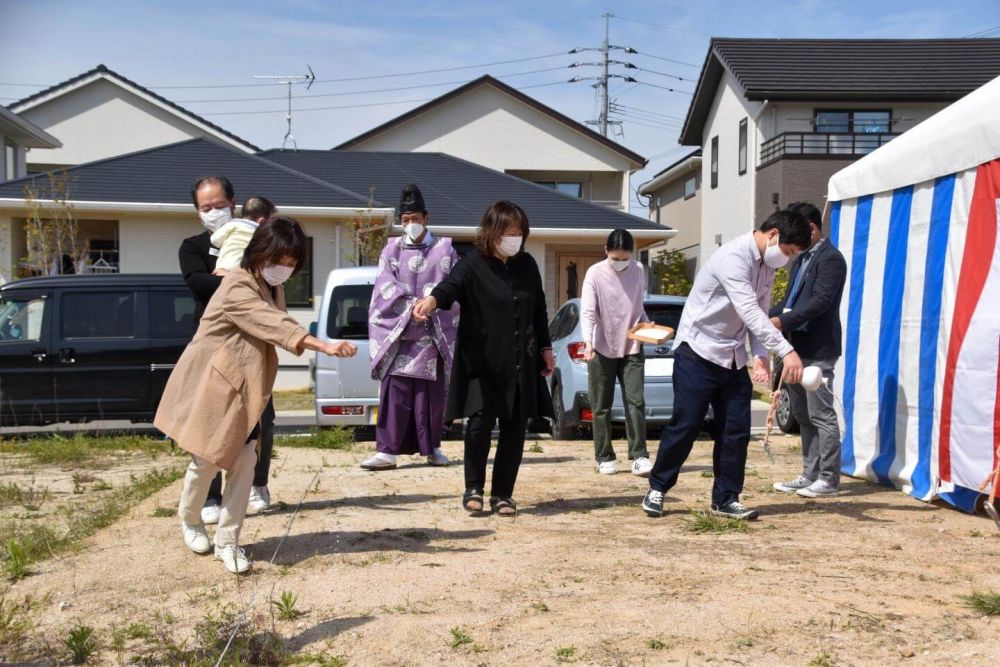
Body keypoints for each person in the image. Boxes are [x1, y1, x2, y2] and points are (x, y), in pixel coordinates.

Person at [156, 217, 357, 574]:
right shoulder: (236, 284)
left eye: (293, 264)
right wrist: (321, 345)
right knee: (205, 460)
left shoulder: (272, 287)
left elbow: (276, 323)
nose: (286, 269)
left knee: (245, 463)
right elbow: (272, 324)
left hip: (248, 388)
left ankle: (228, 541)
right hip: (215, 386)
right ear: (261, 252)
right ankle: (190, 520)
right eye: (281, 260)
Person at [641, 210, 810, 521]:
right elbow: (748, 310)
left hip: (732, 357)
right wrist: (787, 352)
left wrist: (759, 354)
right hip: (697, 351)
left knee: (736, 430)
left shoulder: (766, 266)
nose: (785, 259)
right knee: (687, 424)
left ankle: (726, 498)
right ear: (773, 234)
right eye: (786, 251)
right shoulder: (732, 257)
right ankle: (658, 487)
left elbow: (759, 311)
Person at [413, 201, 554, 517]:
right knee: (479, 423)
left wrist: (545, 348)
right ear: (492, 233)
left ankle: (503, 494)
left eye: (520, 233)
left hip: (520, 360)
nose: (515, 239)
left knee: (515, 428)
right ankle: (473, 487)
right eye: (509, 233)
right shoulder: (472, 263)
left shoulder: (528, 265)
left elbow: (539, 310)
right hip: (483, 361)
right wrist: (432, 300)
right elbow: (450, 287)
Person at [180, 177, 277, 523]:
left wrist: (225, 277)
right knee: (208, 420)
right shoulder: (192, 246)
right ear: (197, 212)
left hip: (252, 343)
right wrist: (234, 281)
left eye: (219, 205)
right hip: (211, 345)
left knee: (260, 418)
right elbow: (197, 281)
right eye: (206, 208)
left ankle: (258, 484)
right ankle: (210, 497)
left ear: (233, 202)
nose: (214, 212)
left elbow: (270, 278)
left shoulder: (254, 240)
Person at [362, 184, 459, 471]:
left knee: (429, 399)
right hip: (399, 337)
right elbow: (384, 289)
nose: (410, 225)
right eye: (404, 220)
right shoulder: (391, 249)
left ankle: (433, 448)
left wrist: (431, 304)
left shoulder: (445, 249)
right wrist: (411, 308)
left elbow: (454, 288)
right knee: (395, 395)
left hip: (432, 337)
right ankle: (386, 451)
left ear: (425, 218)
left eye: (415, 218)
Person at [769, 202, 847, 498]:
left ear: (812, 227)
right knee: (802, 414)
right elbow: (789, 301)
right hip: (795, 348)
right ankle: (809, 473)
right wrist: (762, 315)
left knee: (821, 414)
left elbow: (819, 302)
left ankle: (829, 478)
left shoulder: (831, 259)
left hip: (818, 347)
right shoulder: (801, 259)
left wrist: (780, 320)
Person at [580, 228, 655, 477]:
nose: (620, 262)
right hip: (602, 346)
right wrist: (588, 342)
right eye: (615, 258)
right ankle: (604, 456)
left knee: (636, 401)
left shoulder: (638, 270)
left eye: (625, 258)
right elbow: (589, 312)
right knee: (600, 405)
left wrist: (647, 323)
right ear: (606, 251)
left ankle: (639, 455)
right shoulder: (595, 273)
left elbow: (638, 307)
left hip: (632, 344)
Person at [211, 196, 277, 273]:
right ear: (261, 221)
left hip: (224, 266)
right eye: (270, 222)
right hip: (244, 270)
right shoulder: (261, 234)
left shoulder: (232, 224)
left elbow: (214, 240)